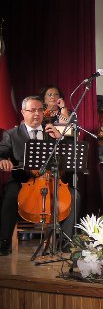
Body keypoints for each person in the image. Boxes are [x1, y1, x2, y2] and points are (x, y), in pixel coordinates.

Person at [0, 96, 74, 255]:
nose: (36, 114)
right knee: (11, 196)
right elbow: (2, 153)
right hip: (23, 180)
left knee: (75, 195)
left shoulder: (51, 131)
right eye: (32, 110)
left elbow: (69, 155)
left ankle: (65, 243)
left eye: (40, 110)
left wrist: (60, 138)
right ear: (23, 112)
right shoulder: (12, 134)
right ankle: (4, 242)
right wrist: (3, 160)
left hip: (50, 179)